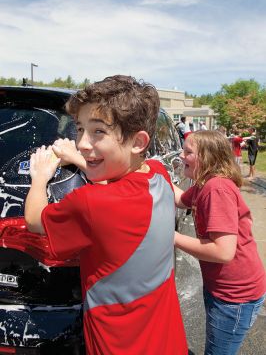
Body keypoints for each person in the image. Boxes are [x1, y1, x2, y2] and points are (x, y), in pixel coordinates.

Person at [24, 75, 188, 355]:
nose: (83, 144)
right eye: (79, 129)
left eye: (98, 131)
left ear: (138, 142)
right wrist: (80, 160)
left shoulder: (91, 203)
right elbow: (121, 183)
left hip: (115, 344)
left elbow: (34, 220)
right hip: (167, 338)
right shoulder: (158, 175)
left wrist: (39, 178)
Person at [173, 130, 266, 355]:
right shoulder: (203, 184)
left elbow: (223, 252)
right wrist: (151, 175)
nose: (181, 156)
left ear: (207, 158)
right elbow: (179, 199)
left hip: (235, 296)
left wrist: (170, 237)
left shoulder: (217, 188)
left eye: (188, 152)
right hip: (224, 289)